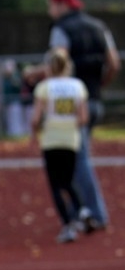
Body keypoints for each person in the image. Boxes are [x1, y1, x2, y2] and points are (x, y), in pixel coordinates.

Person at [47, 0, 121, 230]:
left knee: (77, 160)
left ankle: (94, 213)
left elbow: (58, 63)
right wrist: (99, 84)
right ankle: (79, 209)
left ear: (61, 4)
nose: (50, 11)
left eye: (51, 5)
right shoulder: (99, 26)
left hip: (72, 104)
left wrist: (37, 75)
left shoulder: (61, 29)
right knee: (76, 157)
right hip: (94, 99)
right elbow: (113, 62)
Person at [30, 48, 89, 243]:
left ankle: (67, 225)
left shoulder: (45, 87)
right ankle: (82, 210)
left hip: (51, 139)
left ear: (49, 66)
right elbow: (83, 118)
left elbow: (36, 118)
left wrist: (35, 134)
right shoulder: (78, 86)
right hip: (71, 138)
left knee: (56, 184)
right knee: (69, 180)